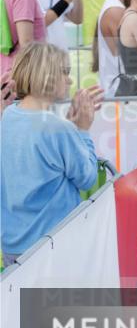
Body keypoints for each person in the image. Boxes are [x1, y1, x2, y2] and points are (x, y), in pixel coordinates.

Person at [0, 42, 103, 268]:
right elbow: (87, 178)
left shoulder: (6, 118)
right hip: (54, 246)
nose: (69, 80)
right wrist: (83, 130)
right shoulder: (58, 128)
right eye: (64, 72)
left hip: (13, 247)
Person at [94, 0, 137, 97]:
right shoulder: (115, 10)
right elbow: (134, 55)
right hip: (120, 92)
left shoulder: (115, 8)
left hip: (119, 90)